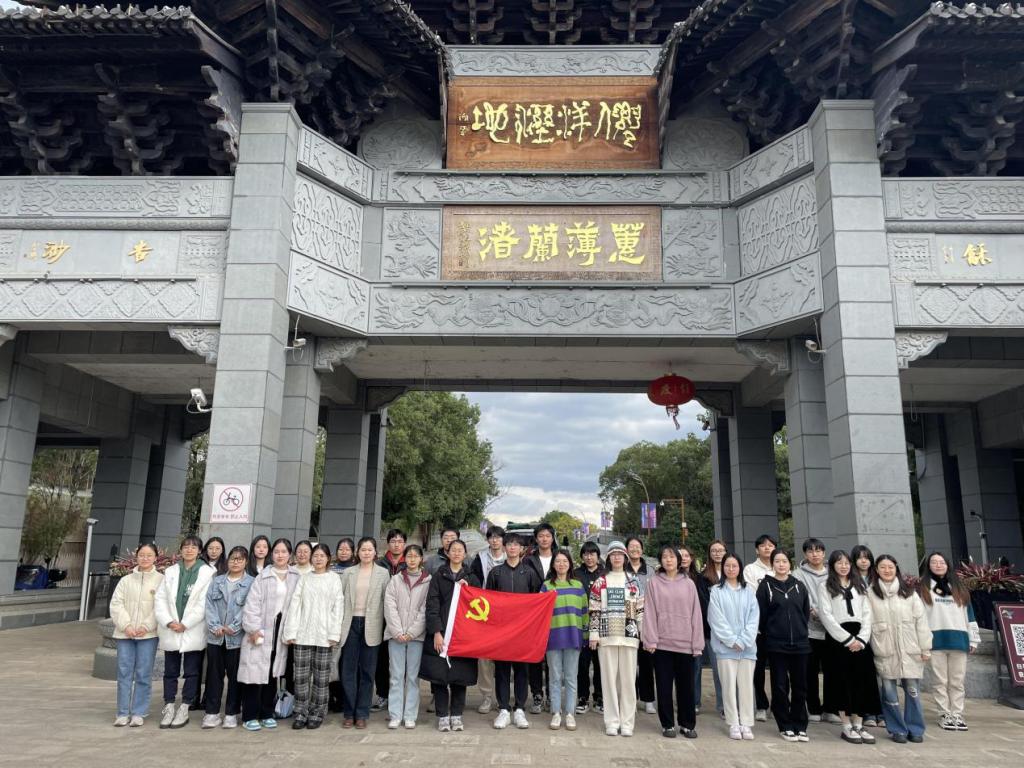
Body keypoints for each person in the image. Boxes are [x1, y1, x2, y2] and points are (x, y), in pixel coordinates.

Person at [867, 554, 932, 744]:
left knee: (912, 691)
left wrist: (925, 647)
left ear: (896, 569)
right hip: (884, 648)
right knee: (889, 693)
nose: (887, 570)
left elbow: (921, 621)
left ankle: (915, 728)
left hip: (910, 648)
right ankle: (897, 729)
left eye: (890, 567)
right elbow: (867, 623)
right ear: (876, 570)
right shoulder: (870, 593)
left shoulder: (909, 592)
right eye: (882, 567)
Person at [238, 538, 300, 731]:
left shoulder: (296, 576)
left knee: (273, 673)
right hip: (261, 629)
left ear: (289, 554)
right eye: (277, 552)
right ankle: (249, 715)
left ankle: (266, 713)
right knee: (254, 674)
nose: (280, 555)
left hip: (281, 631)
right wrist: (253, 629)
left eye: (284, 552)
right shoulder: (263, 576)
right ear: (272, 554)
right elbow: (252, 604)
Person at [818, 550, 879, 744]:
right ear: (832, 565)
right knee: (841, 682)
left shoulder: (859, 585)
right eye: (839, 563)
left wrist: (861, 639)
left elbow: (867, 614)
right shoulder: (825, 586)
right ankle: (846, 726)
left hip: (860, 639)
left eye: (846, 563)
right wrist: (846, 640)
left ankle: (858, 724)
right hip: (838, 640)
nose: (843, 566)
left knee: (861, 681)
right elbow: (826, 615)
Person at [155, 535, 216, 729]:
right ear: (181, 550)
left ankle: (185, 707)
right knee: (170, 672)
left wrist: (186, 623)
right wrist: (168, 621)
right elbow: (160, 599)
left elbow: (204, 603)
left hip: (193, 629)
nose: (189, 550)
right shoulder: (171, 571)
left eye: (193, 547)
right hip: (171, 628)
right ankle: (169, 705)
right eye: (186, 547)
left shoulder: (207, 573)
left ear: (199, 551)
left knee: (192, 672)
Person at [282, 543, 344, 730]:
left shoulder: (334, 579)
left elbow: (338, 607)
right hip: (303, 634)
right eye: (315, 556)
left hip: (325, 636)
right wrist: (291, 631)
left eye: (322, 556)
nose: (318, 559)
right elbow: (295, 605)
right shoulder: (305, 578)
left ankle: (317, 712)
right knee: (300, 677)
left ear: (328, 558)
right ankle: (300, 712)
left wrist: (334, 633)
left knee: (321, 679)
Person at [420, 538, 480, 731]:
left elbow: (480, 606)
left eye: (460, 550)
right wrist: (436, 632)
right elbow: (432, 605)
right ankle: (442, 715)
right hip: (442, 633)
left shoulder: (472, 577)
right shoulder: (439, 576)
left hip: (463, 636)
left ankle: (456, 714)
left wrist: (467, 589)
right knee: (439, 677)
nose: (456, 553)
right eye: (453, 550)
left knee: (459, 677)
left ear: (465, 554)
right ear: (447, 553)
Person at [645, 545, 703, 739]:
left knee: (686, 688)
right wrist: (651, 640)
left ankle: (687, 724)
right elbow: (649, 613)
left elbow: (696, 614)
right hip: (661, 644)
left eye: (672, 557)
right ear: (660, 561)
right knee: (663, 687)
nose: (668, 560)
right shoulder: (654, 583)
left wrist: (697, 644)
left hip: (685, 643)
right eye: (664, 557)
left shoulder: (689, 584)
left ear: (679, 560)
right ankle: (667, 724)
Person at [589, 540, 644, 737]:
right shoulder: (600, 582)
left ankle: (627, 723)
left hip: (629, 636)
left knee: (628, 682)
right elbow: (594, 610)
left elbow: (640, 609)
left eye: (620, 554)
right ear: (609, 558)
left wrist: (643, 633)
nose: (617, 557)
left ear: (625, 557)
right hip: (607, 637)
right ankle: (611, 722)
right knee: (609, 681)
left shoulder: (634, 581)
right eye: (613, 554)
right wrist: (594, 634)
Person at [487, 532, 542, 729]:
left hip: (523, 632)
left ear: (522, 549)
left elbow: (537, 601)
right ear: (504, 547)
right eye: (509, 544)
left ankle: (519, 709)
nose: (512, 547)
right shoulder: (495, 573)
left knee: (521, 671)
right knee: (501, 671)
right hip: (501, 631)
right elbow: (488, 602)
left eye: (516, 545)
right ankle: (503, 709)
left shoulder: (529, 573)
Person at [918, 551, 978, 732]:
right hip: (935, 641)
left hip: (958, 640)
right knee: (940, 681)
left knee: (957, 681)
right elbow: (920, 617)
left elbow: (969, 615)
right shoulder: (923, 588)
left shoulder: (959, 588)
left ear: (947, 565)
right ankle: (944, 713)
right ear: (928, 566)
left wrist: (973, 639)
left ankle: (957, 713)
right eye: (934, 562)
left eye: (941, 562)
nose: (938, 565)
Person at [756, 549, 810, 743]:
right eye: (777, 561)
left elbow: (805, 612)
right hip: (776, 644)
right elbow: (761, 615)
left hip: (800, 644)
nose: (781, 564)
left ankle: (800, 725)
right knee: (780, 686)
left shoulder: (799, 586)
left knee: (800, 686)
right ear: (772, 564)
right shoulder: (765, 586)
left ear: (790, 564)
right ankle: (784, 724)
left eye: (784, 561)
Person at [110, 542, 164, 727]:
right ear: (136, 556)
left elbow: (161, 607)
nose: (145, 558)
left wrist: (146, 626)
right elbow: (116, 604)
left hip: (148, 635)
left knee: (143, 673)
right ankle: (122, 712)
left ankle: (139, 712)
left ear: (155, 558)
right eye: (142, 555)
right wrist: (126, 626)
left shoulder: (161, 580)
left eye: (149, 555)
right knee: (124, 672)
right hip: (125, 634)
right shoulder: (126, 580)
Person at [339, 537, 389, 729]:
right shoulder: (348, 573)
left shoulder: (383, 573)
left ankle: (361, 713)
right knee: (348, 670)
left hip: (372, 625)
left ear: (375, 552)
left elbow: (386, 602)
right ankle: (348, 712)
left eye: (369, 550)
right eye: (363, 550)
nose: (366, 553)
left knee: (368, 672)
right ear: (357, 552)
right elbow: (340, 599)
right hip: (350, 624)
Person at [708, 553, 759, 741]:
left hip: (747, 648)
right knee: (728, 687)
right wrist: (731, 640)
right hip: (725, 648)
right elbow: (715, 619)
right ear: (723, 568)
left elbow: (754, 618)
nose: (731, 569)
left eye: (734, 566)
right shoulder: (716, 591)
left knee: (746, 687)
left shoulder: (748, 591)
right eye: (727, 566)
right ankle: (733, 722)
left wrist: (744, 640)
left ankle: (746, 722)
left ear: (740, 568)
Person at [202, 545, 254, 729]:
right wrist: (215, 626)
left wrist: (234, 627)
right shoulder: (217, 581)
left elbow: (249, 607)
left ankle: (231, 713)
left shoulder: (251, 583)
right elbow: (209, 605)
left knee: (235, 677)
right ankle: (212, 713)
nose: (235, 562)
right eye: (233, 558)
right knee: (213, 676)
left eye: (240, 559)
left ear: (246, 562)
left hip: (236, 639)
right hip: (215, 637)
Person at [383, 543, 431, 729]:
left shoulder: (428, 581)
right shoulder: (395, 580)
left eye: (415, 556)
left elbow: (426, 610)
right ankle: (395, 715)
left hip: (416, 637)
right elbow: (390, 606)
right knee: (396, 676)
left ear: (421, 559)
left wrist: (411, 632)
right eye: (409, 556)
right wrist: (397, 631)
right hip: (395, 635)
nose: (412, 559)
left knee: (412, 677)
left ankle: (410, 715)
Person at [541, 550, 587, 731]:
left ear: (570, 564)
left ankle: (569, 713)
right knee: (554, 677)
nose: (561, 564)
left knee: (570, 677)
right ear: (553, 564)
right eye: (558, 561)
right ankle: (555, 712)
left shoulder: (578, 586)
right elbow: (539, 613)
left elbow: (584, 612)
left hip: (573, 637)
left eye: (565, 561)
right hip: (552, 638)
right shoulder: (546, 586)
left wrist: (585, 636)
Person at [792, 538, 835, 724]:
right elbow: (801, 597)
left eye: (818, 551)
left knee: (832, 670)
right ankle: (813, 708)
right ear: (805, 554)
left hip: (832, 630)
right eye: (810, 551)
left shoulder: (832, 572)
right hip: (809, 629)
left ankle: (831, 709)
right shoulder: (798, 574)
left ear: (824, 553)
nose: (815, 554)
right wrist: (815, 612)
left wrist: (828, 616)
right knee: (810, 671)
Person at [470, 525, 506, 715]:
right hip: (484, 612)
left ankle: (503, 697)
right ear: (488, 540)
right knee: (484, 657)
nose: (495, 540)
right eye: (491, 537)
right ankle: (486, 696)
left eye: (498, 537)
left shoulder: (512, 557)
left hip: (506, 614)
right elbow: (474, 580)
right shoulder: (480, 558)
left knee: (503, 656)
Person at [373, 529, 408, 713]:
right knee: (381, 659)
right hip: (380, 618)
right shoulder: (379, 564)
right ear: (388, 544)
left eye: (400, 541)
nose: (396, 544)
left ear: (404, 544)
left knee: (401, 660)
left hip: (403, 619)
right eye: (393, 541)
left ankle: (399, 695)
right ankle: (382, 694)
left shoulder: (410, 563)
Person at [526, 522, 559, 713]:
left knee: (553, 657)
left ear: (552, 538)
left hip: (556, 614)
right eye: (541, 536)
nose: (544, 539)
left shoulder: (560, 557)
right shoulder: (528, 560)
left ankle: (552, 695)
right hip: (535, 615)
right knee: (535, 656)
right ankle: (537, 694)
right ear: (536, 539)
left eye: (547, 535)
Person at [852, 544, 884, 729]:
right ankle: (868, 712)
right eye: (859, 557)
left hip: (881, 629)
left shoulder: (878, 578)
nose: (863, 561)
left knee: (882, 675)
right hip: (861, 631)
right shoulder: (850, 579)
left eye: (866, 557)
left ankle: (882, 711)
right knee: (865, 673)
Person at [744, 533, 776, 721]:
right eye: (763, 545)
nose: (767, 548)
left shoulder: (781, 566)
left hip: (778, 627)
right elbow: (752, 596)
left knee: (779, 669)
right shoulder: (750, 569)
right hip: (758, 627)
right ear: (757, 549)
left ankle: (779, 705)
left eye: (770, 545)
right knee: (758, 669)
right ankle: (761, 705)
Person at [622, 536, 655, 715]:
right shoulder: (621, 569)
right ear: (626, 550)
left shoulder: (650, 571)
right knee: (629, 664)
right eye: (631, 546)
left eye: (637, 546)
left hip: (646, 621)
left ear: (642, 550)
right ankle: (631, 699)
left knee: (646, 662)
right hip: (626, 622)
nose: (634, 549)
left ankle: (648, 699)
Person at [680, 544, 714, 716]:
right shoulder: (669, 578)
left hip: (696, 627)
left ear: (692, 558)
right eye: (680, 555)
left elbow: (704, 603)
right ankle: (681, 699)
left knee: (696, 667)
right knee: (679, 668)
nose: (683, 558)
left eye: (687, 555)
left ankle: (694, 701)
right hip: (677, 628)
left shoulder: (700, 579)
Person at [574, 541, 604, 715]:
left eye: (592, 554)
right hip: (581, 626)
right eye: (585, 554)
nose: (589, 557)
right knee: (582, 665)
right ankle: (583, 697)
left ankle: (600, 697)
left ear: (598, 556)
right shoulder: (576, 574)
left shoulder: (605, 574)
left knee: (600, 665)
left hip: (602, 626)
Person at [697, 539, 726, 716]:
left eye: (720, 550)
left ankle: (730, 704)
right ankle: (722, 706)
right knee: (717, 669)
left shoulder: (733, 572)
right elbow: (705, 603)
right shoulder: (704, 577)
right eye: (714, 550)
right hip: (711, 630)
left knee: (728, 671)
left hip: (732, 630)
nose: (717, 553)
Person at [328, 537, 357, 713]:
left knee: (346, 663)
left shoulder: (356, 570)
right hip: (332, 620)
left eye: (347, 549)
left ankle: (345, 698)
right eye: (341, 549)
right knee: (333, 661)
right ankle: (332, 696)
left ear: (353, 552)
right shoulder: (330, 570)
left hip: (350, 622)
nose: (344, 552)